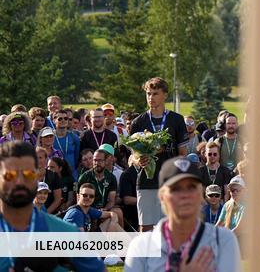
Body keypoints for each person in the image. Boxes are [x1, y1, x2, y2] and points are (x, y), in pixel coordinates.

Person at [0, 141, 105, 272]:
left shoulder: (64, 232)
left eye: (28, 174)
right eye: (10, 175)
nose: (20, 181)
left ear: (37, 176)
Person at [124, 156, 241, 271]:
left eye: (191, 187)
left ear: (201, 194)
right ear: (162, 197)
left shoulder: (222, 240)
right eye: (176, 189)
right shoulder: (141, 246)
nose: (184, 195)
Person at [128, 76, 188, 231]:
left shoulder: (176, 120)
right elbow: (131, 156)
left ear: (165, 95)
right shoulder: (138, 122)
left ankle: (169, 256)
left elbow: (183, 154)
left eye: (155, 93)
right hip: (146, 181)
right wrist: (137, 161)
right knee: (145, 228)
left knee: (170, 227)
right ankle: (147, 256)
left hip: (170, 182)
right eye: (148, 94)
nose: (151, 97)